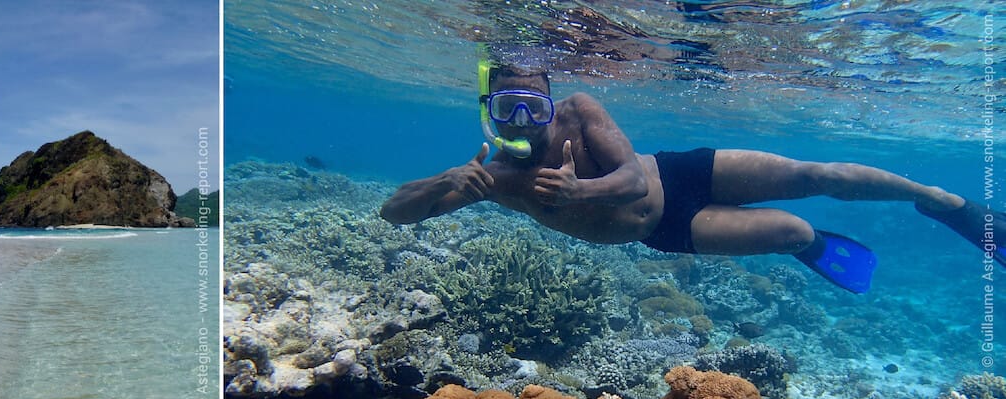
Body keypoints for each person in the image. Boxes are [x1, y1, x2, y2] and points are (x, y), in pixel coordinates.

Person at [380, 62, 1004, 293]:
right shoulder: (489, 177)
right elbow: (394, 213)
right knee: (792, 233)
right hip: (667, 231)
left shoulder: (581, 111)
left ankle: (941, 201)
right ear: (487, 114)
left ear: (551, 101)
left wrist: (576, 192)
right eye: (506, 110)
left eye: (533, 107)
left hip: (678, 172)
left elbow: (626, 178)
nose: (523, 123)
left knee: (812, 172)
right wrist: (444, 188)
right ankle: (818, 247)